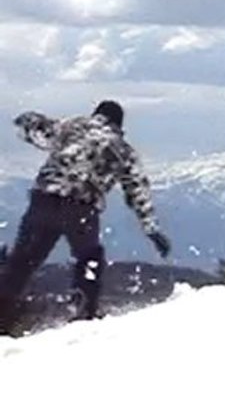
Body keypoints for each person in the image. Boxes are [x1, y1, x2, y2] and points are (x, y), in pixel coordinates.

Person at [0, 100, 171, 334]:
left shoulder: (74, 126)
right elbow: (137, 192)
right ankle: (83, 311)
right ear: (119, 124)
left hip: (43, 200)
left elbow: (43, 133)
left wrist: (27, 122)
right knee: (89, 257)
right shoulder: (123, 150)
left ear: (96, 115)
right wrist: (151, 229)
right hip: (81, 207)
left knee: (22, 262)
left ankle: (2, 314)